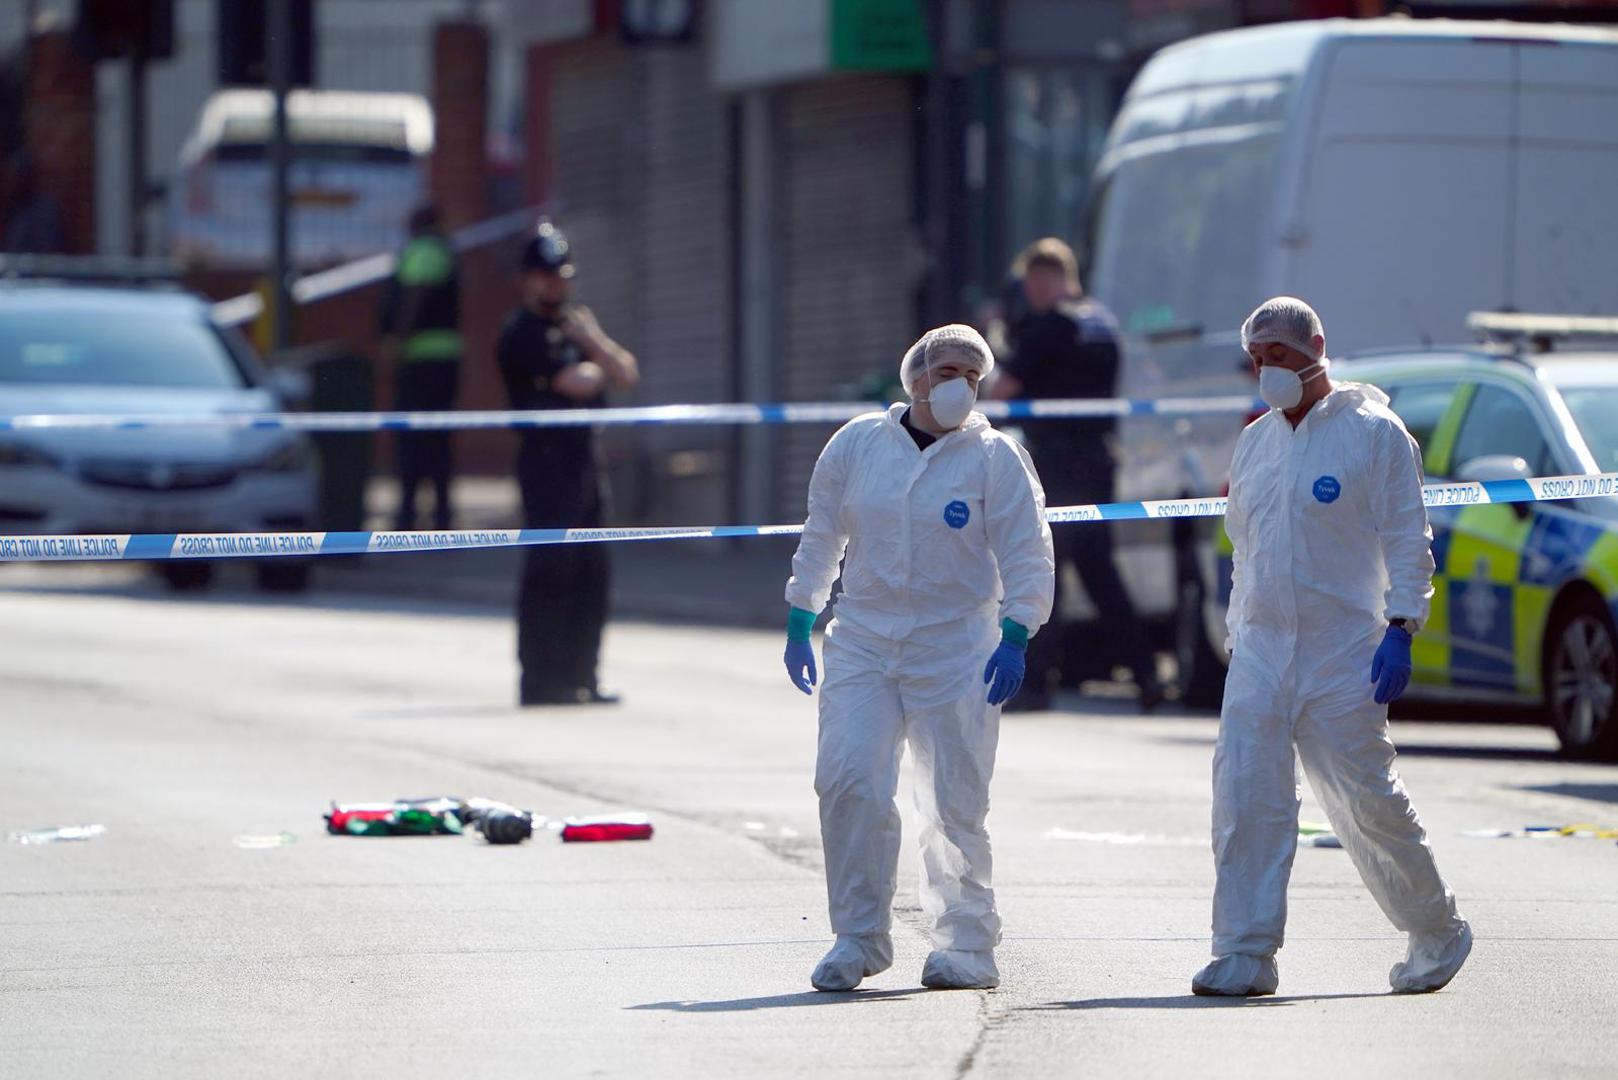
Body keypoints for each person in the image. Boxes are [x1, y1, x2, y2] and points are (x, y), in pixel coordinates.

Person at [1193, 297, 1471, 997]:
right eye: (1257, 359)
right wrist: (1238, 636)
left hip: (1343, 650)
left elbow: (1408, 537)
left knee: (1366, 801)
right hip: (1262, 650)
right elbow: (1244, 550)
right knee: (1246, 798)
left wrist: (1402, 626)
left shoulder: (1374, 433)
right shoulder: (1256, 443)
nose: (1268, 369)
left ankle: (1436, 929)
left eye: (1280, 355)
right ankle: (1244, 951)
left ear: (1316, 347)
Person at [783, 324, 1055, 992]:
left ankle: (966, 943)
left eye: (973, 375)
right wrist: (801, 612)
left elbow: (1028, 550)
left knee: (953, 799)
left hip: (956, 645)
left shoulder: (995, 458)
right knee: (848, 781)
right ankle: (858, 937)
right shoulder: (858, 445)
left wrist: (1017, 632)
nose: (960, 385)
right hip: (864, 640)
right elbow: (823, 533)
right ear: (915, 378)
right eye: (948, 371)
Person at [988, 238, 1162, 712]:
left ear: (1043, 280)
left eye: (1031, 286)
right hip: (1099, 458)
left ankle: (1036, 683)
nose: (1029, 296)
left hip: (1057, 461)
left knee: (1046, 565)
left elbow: (1003, 391)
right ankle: (1146, 674)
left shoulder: (1048, 326)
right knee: (1099, 570)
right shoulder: (1101, 323)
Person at [498, 222, 639, 707]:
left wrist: (593, 341)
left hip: (584, 459)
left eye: (563, 274)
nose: (557, 284)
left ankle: (583, 675)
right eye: (547, 275)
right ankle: (541, 679)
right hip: (545, 462)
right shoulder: (522, 332)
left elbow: (625, 373)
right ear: (526, 279)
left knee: (591, 569)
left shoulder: (579, 327)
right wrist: (596, 363)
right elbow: (575, 382)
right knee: (550, 569)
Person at [380, 204, 461, 531]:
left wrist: (397, 341)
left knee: (413, 441)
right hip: (442, 357)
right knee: (437, 441)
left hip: (422, 359)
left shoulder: (425, 249)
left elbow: (415, 295)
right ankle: (441, 517)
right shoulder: (442, 249)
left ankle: (407, 517)